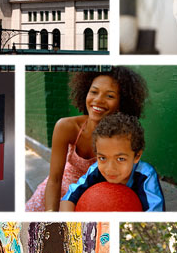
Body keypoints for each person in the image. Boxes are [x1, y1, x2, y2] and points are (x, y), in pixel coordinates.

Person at [26, 67, 148, 212]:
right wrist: (50, 214)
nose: (98, 100)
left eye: (109, 96)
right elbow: (55, 179)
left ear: (122, 103)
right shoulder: (66, 127)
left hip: (92, 201)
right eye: (94, 92)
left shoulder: (125, 138)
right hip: (56, 197)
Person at [60, 113, 165, 212]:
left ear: (136, 156)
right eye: (102, 158)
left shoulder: (146, 175)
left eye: (120, 159)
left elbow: (156, 213)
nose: (110, 168)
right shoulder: (95, 170)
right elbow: (69, 198)